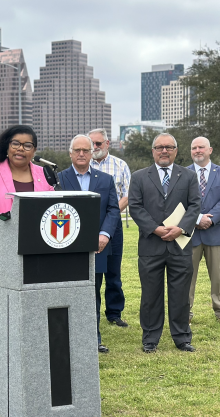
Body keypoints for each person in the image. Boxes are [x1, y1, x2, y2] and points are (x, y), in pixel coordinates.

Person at [0, 125, 54, 404]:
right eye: (16, 143)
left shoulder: (44, 175)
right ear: (6, 146)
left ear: (35, 151)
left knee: (33, 317)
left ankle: (31, 373)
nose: (21, 149)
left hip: (36, 256)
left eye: (28, 145)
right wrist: (9, 219)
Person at [128, 133, 201, 353]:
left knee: (180, 293)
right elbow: (135, 207)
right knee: (151, 294)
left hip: (180, 244)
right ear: (152, 151)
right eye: (159, 147)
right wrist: (155, 228)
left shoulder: (188, 176)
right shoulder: (140, 177)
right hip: (151, 244)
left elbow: (195, 205)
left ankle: (181, 337)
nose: (164, 151)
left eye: (169, 147)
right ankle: (150, 338)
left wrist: (181, 228)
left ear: (176, 150)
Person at [58, 135, 120, 353]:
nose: (82, 154)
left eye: (86, 150)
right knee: (68, 294)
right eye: (77, 150)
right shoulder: (59, 179)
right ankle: (68, 339)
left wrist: (105, 235)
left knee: (92, 293)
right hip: (67, 249)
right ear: (71, 153)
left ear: (92, 153)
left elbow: (113, 209)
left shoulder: (105, 180)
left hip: (97, 246)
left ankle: (93, 339)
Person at [186, 137, 220, 325]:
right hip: (190, 234)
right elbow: (178, 201)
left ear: (210, 150)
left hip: (217, 232)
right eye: (194, 148)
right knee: (186, 277)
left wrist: (209, 219)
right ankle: (185, 315)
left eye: (201, 147)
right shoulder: (182, 174)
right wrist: (197, 218)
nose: (197, 150)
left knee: (218, 276)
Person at [88, 128, 131, 328]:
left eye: (98, 143)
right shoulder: (83, 165)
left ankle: (114, 313)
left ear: (107, 144)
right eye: (92, 144)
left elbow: (127, 195)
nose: (94, 147)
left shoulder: (120, 165)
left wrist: (110, 216)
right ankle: (90, 310)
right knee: (91, 272)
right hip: (88, 227)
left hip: (114, 227)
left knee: (113, 272)